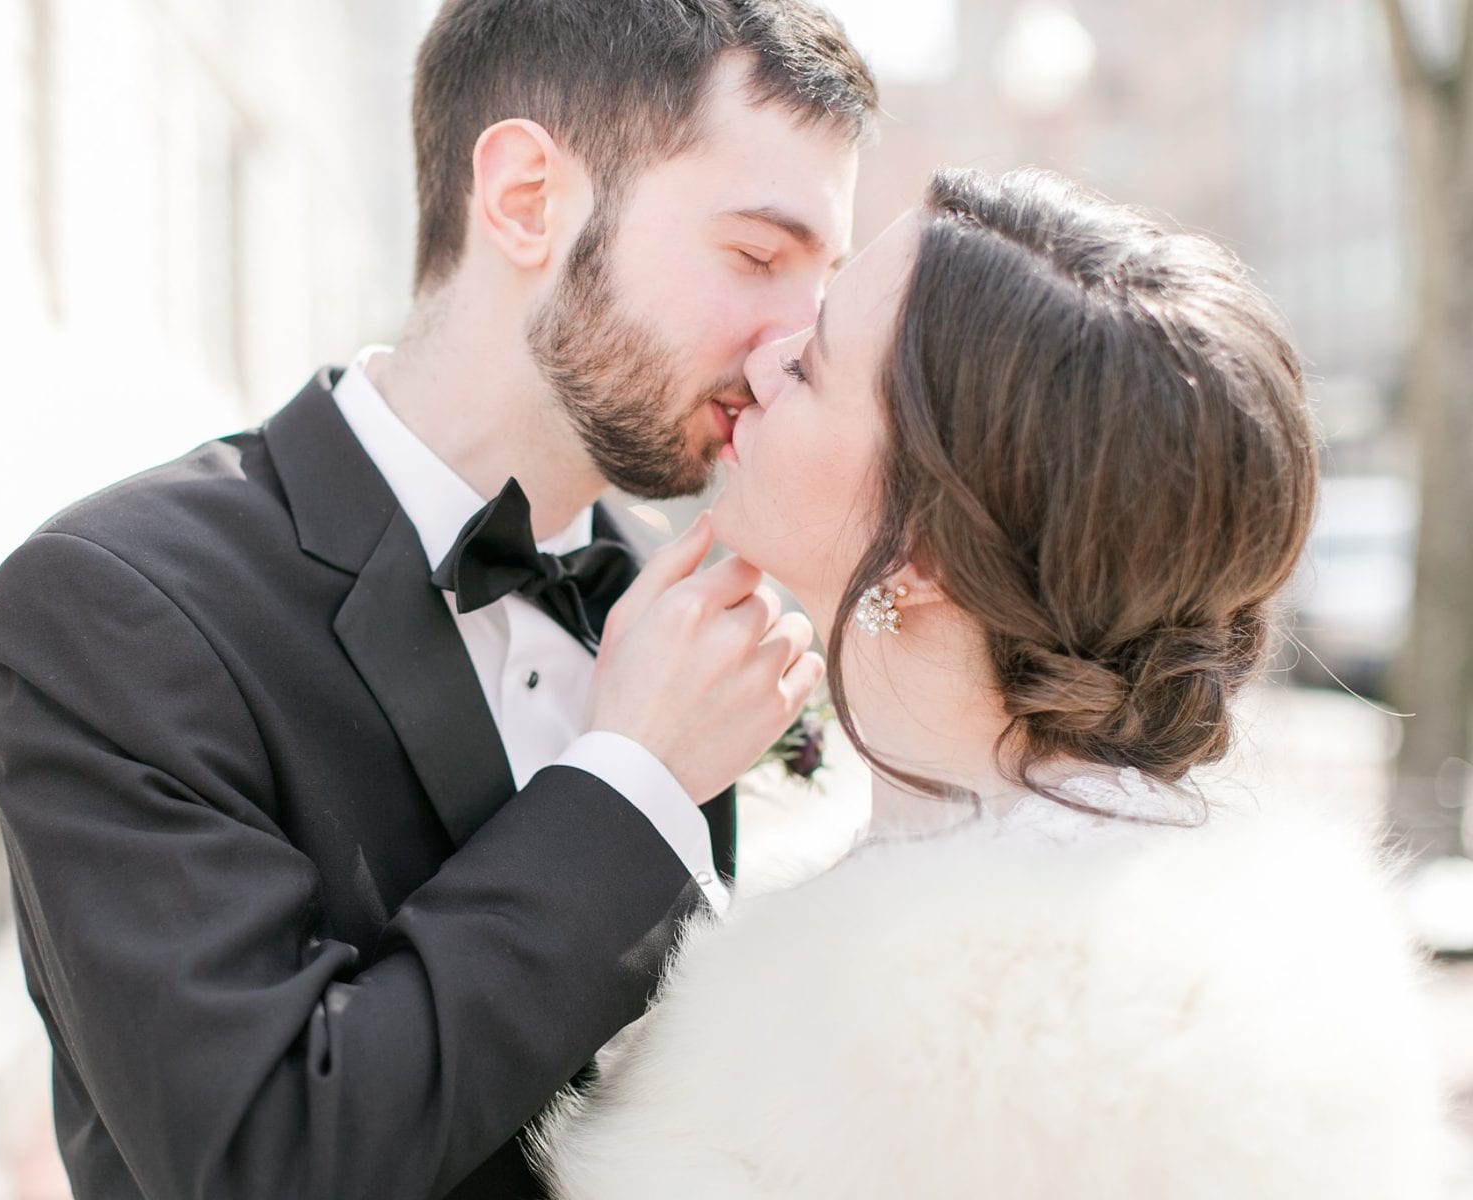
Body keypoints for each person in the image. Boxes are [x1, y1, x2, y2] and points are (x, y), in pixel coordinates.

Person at [0, 2, 877, 1198]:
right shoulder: (114, 607)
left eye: (824, 290)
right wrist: (631, 784)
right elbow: (266, 1159)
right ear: (522, 198)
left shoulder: (687, 601)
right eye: (758, 258)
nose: (786, 351)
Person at [533, 167, 1453, 1198]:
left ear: (918, 554)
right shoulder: (1286, 972)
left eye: (818, 361)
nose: (768, 350)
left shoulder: (845, 1046)